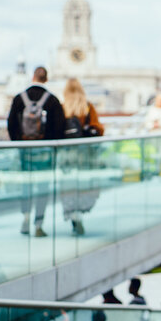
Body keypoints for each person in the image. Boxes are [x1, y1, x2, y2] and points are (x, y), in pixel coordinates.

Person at [7, 66, 65, 237]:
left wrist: (19, 143)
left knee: (26, 187)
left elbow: (11, 124)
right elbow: (59, 128)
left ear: (33, 77)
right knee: (42, 189)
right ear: (46, 79)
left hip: (25, 150)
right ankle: (38, 224)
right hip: (45, 152)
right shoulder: (52, 101)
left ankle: (25, 218)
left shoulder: (19, 98)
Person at [60, 78, 104, 236]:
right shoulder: (87, 107)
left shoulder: (62, 108)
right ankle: (80, 211)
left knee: (68, 187)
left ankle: (73, 214)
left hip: (65, 155)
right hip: (84, 155)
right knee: (84, 185)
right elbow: (98, 129)